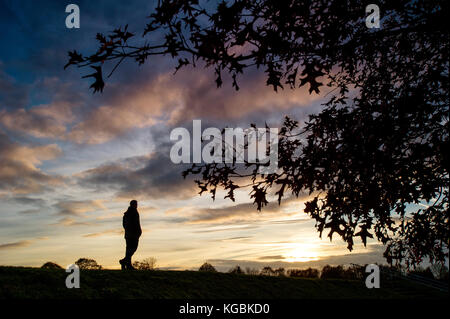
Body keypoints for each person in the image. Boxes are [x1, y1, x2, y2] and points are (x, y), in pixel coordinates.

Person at [119, 200, 142, 270]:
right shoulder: (132, 212)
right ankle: (124, 261)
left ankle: (128, 265)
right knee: (133, 248)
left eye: (136, 204)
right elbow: (133, 224)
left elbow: (124, 225)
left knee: (129, 249)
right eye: (135, 204)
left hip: (129, 234)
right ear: (132, 204)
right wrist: (137, 232)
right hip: (133, 234)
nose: (136, 205)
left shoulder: (127, 213)